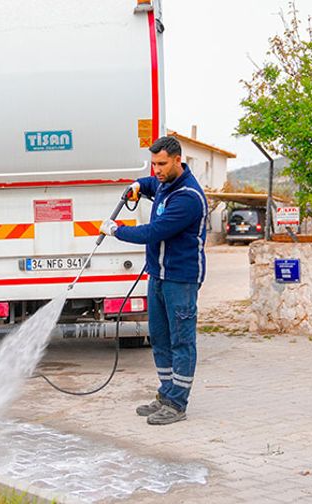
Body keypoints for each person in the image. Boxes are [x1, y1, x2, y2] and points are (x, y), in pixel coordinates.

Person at [100, 136, 207, 425]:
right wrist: (138, 185)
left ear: (177, 160)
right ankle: (166, 393)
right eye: (153, 164)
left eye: (161, 164)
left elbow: (154, 232)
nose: (156, 170)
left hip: (180, 279)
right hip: (158, 275)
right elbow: (151, 185)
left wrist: (116, 230)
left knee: (181, 341)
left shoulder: (188, 197)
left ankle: (177, 403)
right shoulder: (164, 183)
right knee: (159, 337)